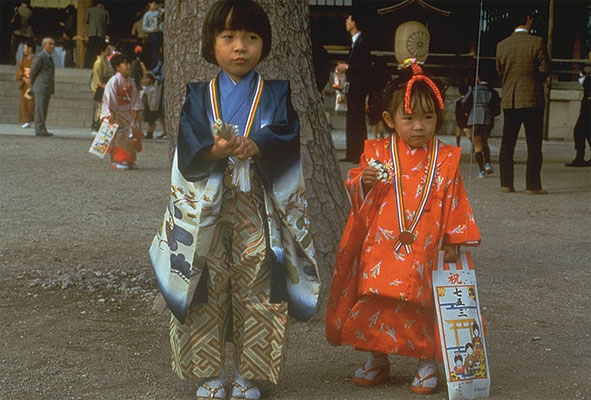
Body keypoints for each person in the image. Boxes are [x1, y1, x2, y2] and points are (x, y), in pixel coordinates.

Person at [151, 1, 318, 399]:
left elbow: (285, 136)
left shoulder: (276, 92)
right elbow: (188, 143)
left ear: (264, 44)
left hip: (256, 206)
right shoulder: (198, 94)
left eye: (251, 37)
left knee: (259, 283)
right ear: (212, 43)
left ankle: (248, 374)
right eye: (228, 37)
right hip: (206, 207)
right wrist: (217, 149)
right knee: (204, 281)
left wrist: (254, 145)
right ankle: (208, 374)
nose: (239, 47)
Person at [325, 60, 481, 395]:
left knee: (421, 302)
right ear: (389, 119)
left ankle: (426, 361)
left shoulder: (446, 157)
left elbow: (456, 199)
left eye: (427, 117)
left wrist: (455, 237)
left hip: (426, 243)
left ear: (439, 116)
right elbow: (356, 187)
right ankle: (377, 356)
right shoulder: (377, 152)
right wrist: (363, 180)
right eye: (408, 118)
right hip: (380, 244)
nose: (418, 126)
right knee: (374, 298)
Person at [496, 6, 551, 194]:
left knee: (507, 143)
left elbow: (499, 71)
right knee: (534, 143)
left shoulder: (502, 45)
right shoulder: (537, 42)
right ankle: (533, 185)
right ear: (528, 20)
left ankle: (506, 183)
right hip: (533, 98)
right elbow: (545, 69)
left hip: (510, 98)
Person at [336, 11, 372, 162]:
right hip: (352, 86)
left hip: (359, 87)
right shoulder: (355, 41)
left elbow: (364, 65)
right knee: (351, 119)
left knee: (357, 120)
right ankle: (351, 153)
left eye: (348, 20)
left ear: (354, 22)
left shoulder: (362, 41)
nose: (346, 23)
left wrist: (348, 67)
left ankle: (359, 154)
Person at [100, 53, 143, 170]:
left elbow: (134, 97)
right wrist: (112, 112)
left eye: (129, 63)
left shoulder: (131, 81)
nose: (128, 66)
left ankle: (129, 160)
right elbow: (110, 97)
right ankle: (117, 160)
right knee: (118, 138)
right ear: (117, 67)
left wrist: (135, 109)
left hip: (126, 111)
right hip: (116, 111)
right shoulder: (114, 80)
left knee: (129, 137)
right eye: (125, 63)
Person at [462, 69, 501, 177]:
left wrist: (467, 112)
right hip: (487, 119)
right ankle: (488, 163)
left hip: (475, 118)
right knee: (485, 142)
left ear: (478, 78)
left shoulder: (473, 90)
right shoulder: (493, 92)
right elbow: (497, 109)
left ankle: (482, 170)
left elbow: (464, 102)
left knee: (477, 145)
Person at [30, 37, 56, 137]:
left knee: (43, 108)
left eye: (53, 44)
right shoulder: (40, 56)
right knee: (40, 109)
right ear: (44, 45)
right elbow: (33, 71)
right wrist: (33, 83)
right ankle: (39, 128)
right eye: (50, 44)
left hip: (47, 87)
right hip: (41, 86)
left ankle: (42, 127)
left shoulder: (49, 57)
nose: (52, 46)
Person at [565, 68, 591, 167]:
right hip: (587, 103)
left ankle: (580, 157)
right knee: (587, 131)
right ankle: (579, 157)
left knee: (579, 130)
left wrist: (581, 72)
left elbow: (585, 83)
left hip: (589, 105)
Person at [91, 41, 113, 133]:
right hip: (101, 86)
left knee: (104, 108)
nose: (109, 51)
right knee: (99, 108)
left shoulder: (106, 61)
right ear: (102, 51)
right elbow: (97, 77)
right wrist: (99, 86)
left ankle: (101, 125)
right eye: (107, 49)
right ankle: (95, 125)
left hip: (106, 85)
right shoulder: (98, 62)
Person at [85, 1, 111, 68]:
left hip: (91, 33)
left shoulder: (90, 10)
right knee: (98, 50)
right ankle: (97, 65)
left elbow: (86, 20)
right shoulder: (106, 12)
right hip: (101, 33)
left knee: (89, 50)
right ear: (103, 5)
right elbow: (107, 23)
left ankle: (87, 65)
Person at [16, 39, 35, 129]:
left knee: (31, 103)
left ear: (30, 49)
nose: (23, 50)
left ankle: (32, 119)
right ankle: (25, 121)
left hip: (33, 83)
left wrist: (31, 79)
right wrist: (24, 77)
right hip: (24, 83)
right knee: (23, 103)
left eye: (24, 48)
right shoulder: (22, 61)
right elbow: (19, 71)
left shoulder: (36, 59)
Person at [142, 1, 164, 69]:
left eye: (156, 4)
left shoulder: (158, 10)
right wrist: (151, 29)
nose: (155, 6)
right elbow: (144, 26)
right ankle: (155, 65)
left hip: (161, 31)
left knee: (162, 48)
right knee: (155, 50)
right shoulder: (147, 15)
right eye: (154, 4)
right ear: (150, 4)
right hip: (154, 33)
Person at [140, 72, 159, 139]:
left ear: (151, 80)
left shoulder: (153, 89)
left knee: (152, 121)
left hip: (151, 108)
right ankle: (149, 132)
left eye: (147, 78)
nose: (145, 80)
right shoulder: (145, 89)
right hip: (146, 108)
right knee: (149, 121)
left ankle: (150, 133)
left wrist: (153, 107)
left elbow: (154, 99)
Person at [454, 84, 471, 148]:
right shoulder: (468, 101)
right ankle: (474, 146)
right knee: (468, 134)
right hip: (466, 119)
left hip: (459, 119)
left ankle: (458, 145)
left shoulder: (458, 102)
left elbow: (456, 112)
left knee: (458, 134)